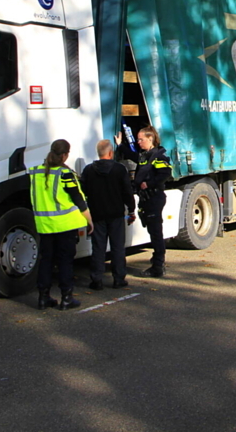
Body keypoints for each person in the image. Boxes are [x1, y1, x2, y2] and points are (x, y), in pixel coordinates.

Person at [28, 139, 94, 310]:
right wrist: (89, 220)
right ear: (65, 155)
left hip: (44, 226)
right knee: (65, 262)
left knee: (46, 262)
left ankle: (43, 298)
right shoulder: (65, 174)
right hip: (65, 226)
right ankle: (66, 298)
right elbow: (78, 200)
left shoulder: (35, 172)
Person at [81, 139, 136, 290]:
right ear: (111, 153)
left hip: (97, 214)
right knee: (118, 247)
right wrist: (131, 209)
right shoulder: (119, 169)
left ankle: (96, 279)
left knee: (98, 247)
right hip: (116, 214)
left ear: (99, 153)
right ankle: (118, 278)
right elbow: (127, 191)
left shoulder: (88, 170)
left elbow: (83, 190)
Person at [116, 125, 172, 278]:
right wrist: (120, 145)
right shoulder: (144, 155)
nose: (139, 142)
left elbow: (166, 173)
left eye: (141, 139)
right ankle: (157, 261)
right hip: (146, 199)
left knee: (156, 233)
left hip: (154, 197)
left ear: (150, 139)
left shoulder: (158, 156)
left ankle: (158, 266)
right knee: (152, 231)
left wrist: (149, 183)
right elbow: (133, 156)